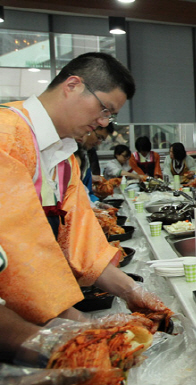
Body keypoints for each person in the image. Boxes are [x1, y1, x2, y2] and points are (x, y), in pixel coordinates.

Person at [0, 52, 168, 326]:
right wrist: (81, 327)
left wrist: (131, 291)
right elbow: (15, 262)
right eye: (104, 110)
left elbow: (80, 240)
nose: (103, 123)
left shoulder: (64, 157)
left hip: (41, 314)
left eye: (110, 117)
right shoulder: (6, 136)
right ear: (72, 86)